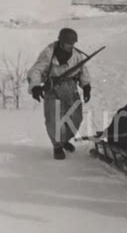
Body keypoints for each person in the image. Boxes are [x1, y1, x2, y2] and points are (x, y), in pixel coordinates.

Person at [27, 28, 91, 160]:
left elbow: (83, 71)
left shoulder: (77, 55)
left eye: (73, 43)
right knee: (54, 120)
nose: (71, 46)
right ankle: (57, 146)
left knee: (75, 119)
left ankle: (64, 140)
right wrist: (35, 87)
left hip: (71, 89)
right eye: (68, 43)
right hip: (53, 90)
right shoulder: (49, 53)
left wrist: (86, 86)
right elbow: (36, 70)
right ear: (61, 42)